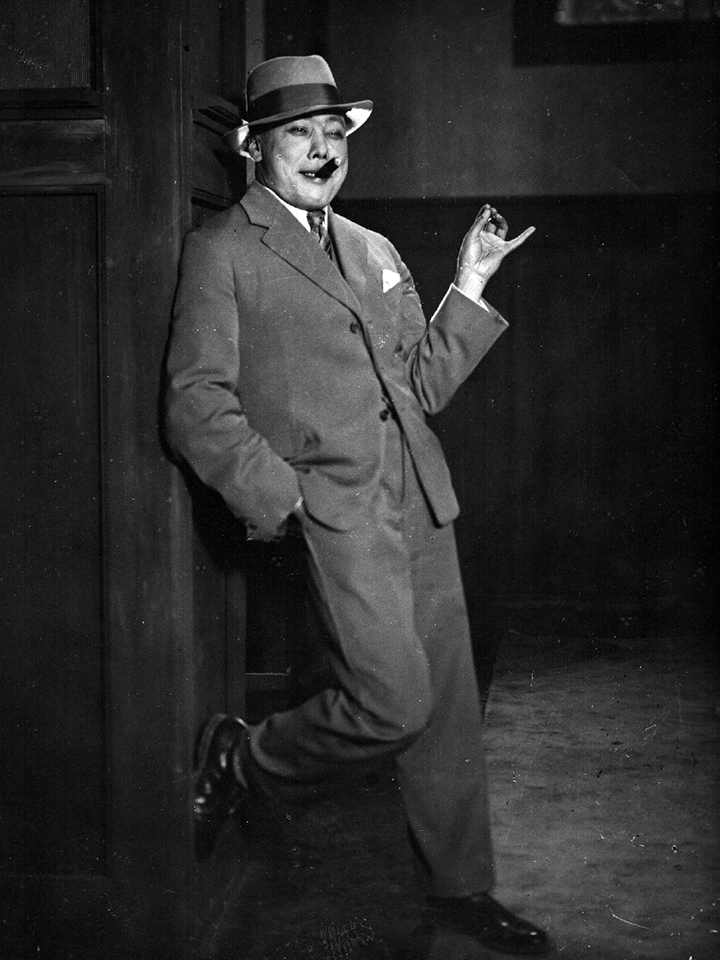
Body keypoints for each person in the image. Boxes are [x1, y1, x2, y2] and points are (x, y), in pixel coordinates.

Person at [165, 55, 548, 956]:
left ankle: (460, 887)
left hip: (420, 497)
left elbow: (421, 386)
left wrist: (471, 283)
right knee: (392, 703)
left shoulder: (373, 247)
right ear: (254, 148)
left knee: (444, 709)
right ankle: (247, 757)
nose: (323, 149)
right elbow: (195, 402)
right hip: (335, 512)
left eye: (334, 132)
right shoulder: (223, 249)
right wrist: (285, 497)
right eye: (299, 133)